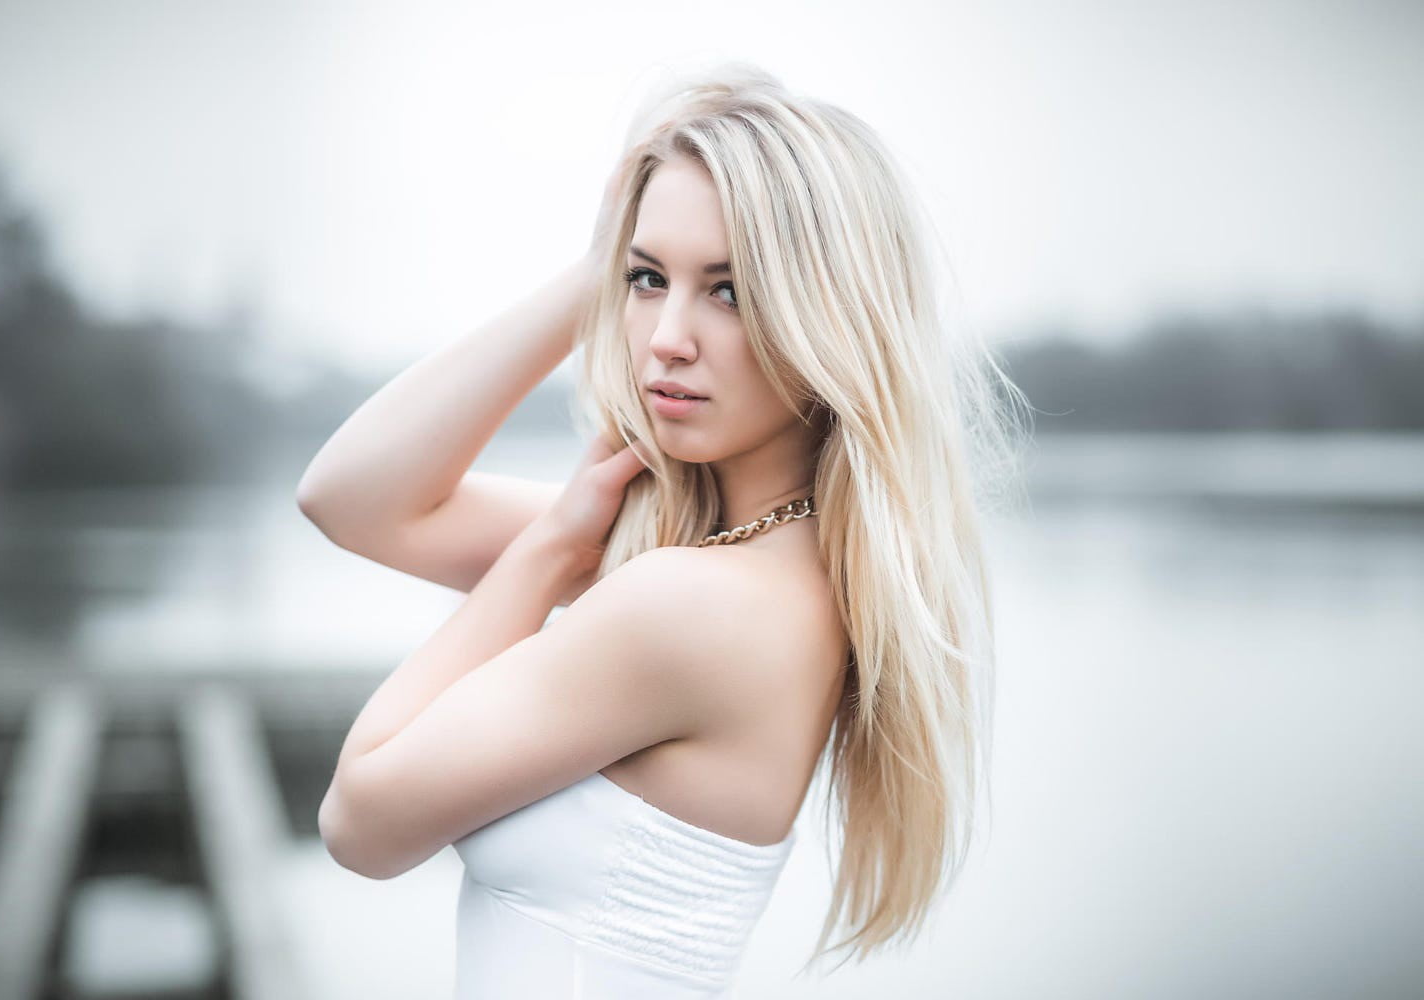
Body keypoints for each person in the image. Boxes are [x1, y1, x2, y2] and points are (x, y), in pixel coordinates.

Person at [297, 61, 1027, 998]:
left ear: (828, 316)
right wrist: (596, 267)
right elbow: (351, 498)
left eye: (728, 290)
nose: (666, 338)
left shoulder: (689, 602)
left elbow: (360, 824)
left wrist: (554, 548)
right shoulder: (745, 562)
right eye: (648, 278)